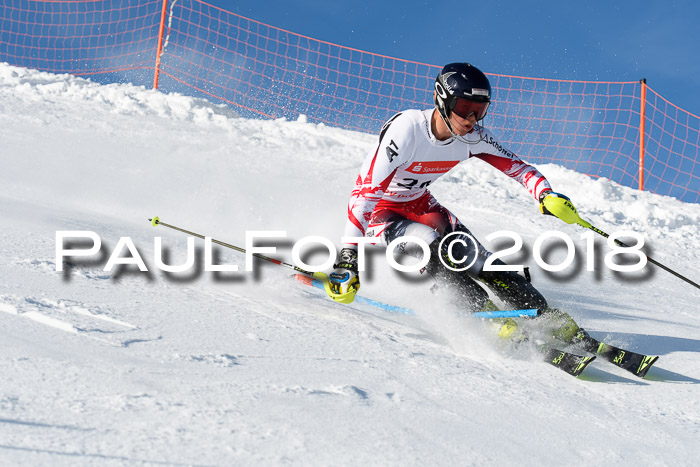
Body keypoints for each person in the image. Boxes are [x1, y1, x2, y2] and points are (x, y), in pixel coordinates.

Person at [326, 62, 581, 341]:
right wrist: (348, 256)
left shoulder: (473, 138)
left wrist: (545, 194)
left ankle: (543, 315)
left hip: (421, 204)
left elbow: (519, 169)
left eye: (480, 110)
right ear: (442, 99)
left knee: (481, 263)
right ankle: (485, 315)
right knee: (432, 248)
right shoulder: (408, 130)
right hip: (382, 213)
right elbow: (366, 194)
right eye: (463, 108)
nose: (471, 119)